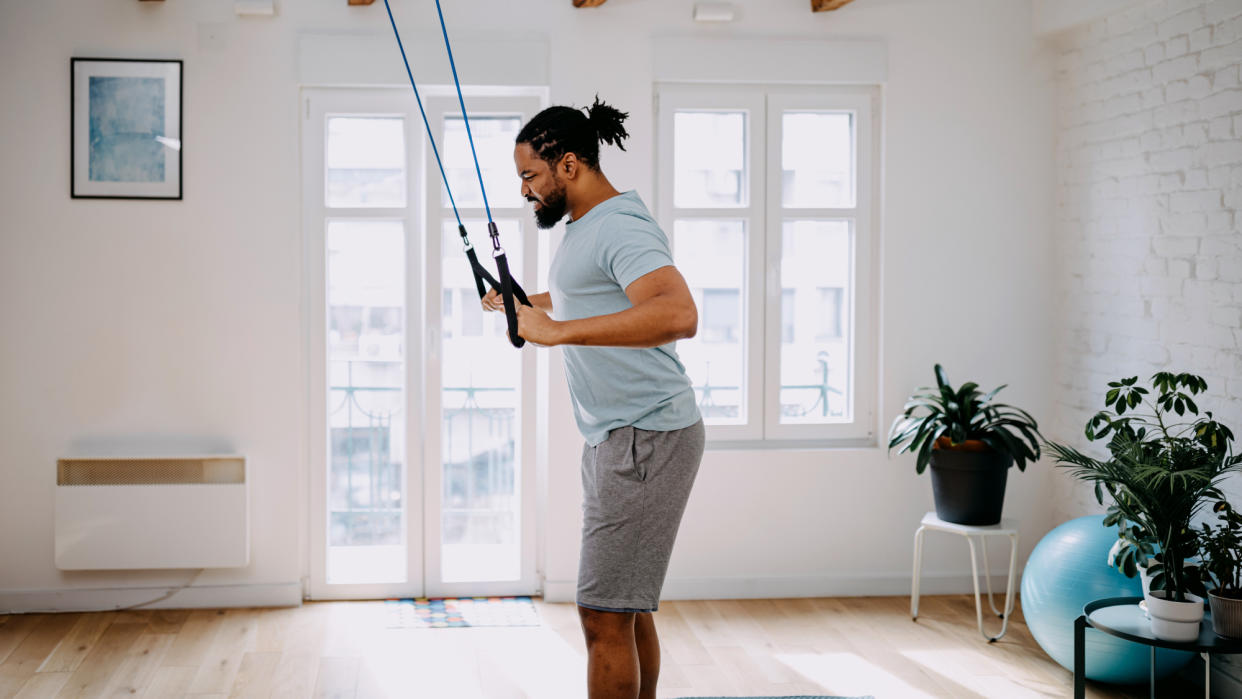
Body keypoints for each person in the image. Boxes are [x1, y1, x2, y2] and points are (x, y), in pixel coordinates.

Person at [481, 97, 705, 699]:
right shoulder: (587, 226)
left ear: (570, 164)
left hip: (647, 435)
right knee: (624, 606)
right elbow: (595, 298)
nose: (526, 191)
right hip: (620, 436)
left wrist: (558, 331)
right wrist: (530, 304)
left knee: (602, 613)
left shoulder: (620, 223)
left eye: (531, 175)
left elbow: (678, 312)